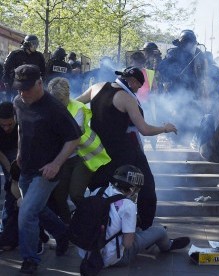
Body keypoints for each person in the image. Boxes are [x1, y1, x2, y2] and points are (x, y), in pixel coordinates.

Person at [76, 66, 177, 230]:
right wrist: (164, 128)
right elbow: (144, 129)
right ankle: (144, 226)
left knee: (100, 188)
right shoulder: (126, 98)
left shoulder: (97, 87)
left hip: (98, 151)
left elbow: (75, 103)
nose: (138, 90)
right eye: (138, 86)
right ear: (133, 82)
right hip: (123, 151)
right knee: (147, 186)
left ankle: (100, 223)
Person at [12, 64, 81, 274]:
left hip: (47, 171)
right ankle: (63, 234)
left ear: (40, 83)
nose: (23, 93)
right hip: (27, 167)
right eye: (19, 88)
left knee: (27, 212)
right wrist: (19, 151)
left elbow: (74, 138)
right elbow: (20, 128)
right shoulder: (18, 102)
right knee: (37, 208)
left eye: (27, 88)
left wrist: (56, 163)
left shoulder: (55, 109)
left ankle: (30, 259)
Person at [78, 165, 190, 269]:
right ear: (132, 189)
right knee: (159, 231)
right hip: (111, 259)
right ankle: (168, 245)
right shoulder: (128, 205)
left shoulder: (98, 191)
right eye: (137, 189)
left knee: (129, 229)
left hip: (85, 254)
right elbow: (127, 244)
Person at [48, 77, 111, 223]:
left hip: (82, 157)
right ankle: (68, 228)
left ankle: (91, 222)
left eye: (61, 100)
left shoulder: (77, 108)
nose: (59, 103)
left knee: (76, 194)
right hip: (62, 160)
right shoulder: (49, 108)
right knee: (59, 197)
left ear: (67, 96)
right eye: (55, 99)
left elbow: (71, 135)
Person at [3, 35, 46, 102]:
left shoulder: (39, 56)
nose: (36, 45)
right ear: (27, 44)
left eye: (37, 43)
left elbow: (43, 72)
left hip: (33, 87)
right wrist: (8, 84)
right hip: (18, 86)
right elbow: (6, 70)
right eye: (33, 43)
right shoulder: (15, 54)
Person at [0, 102, 18, 230]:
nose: (6, 128)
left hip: (15, 150)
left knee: (12, 186)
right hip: (2, 151)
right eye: (2, 125)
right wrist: (10, 171)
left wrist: (14, 173)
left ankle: (6, 227)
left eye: (9, 124)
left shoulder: (23, 121)